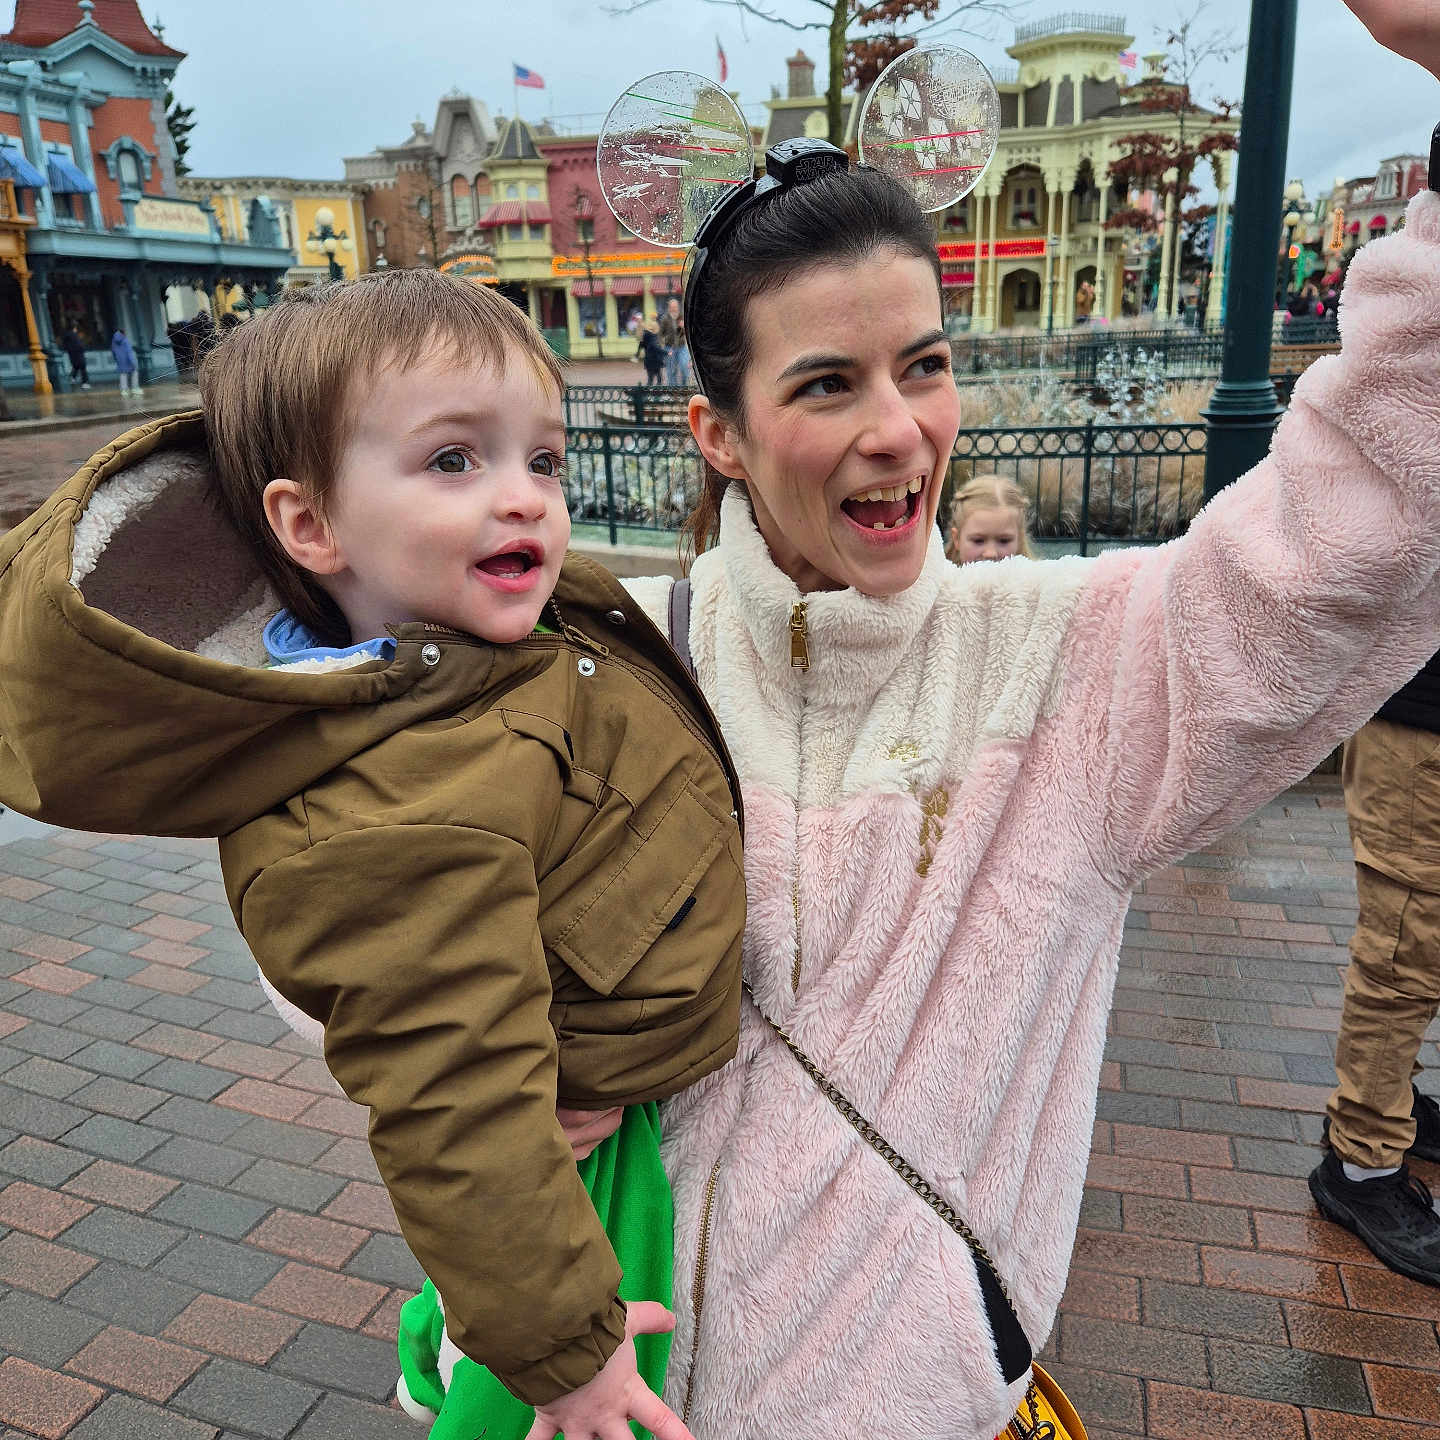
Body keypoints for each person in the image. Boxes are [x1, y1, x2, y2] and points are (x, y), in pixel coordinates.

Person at [508, 7, 1436, 1430]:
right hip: (613, 1396)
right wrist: (501, 1057)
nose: (900, 430)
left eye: (924, 366)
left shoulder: (1067, 670)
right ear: (721, 432)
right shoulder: (623, 662)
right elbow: (380, 861)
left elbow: (1358, 532)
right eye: (826, 384)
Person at [0, 268, 748, 1440]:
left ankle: (450, 1337)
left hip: (603, 1075)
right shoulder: (391, 806)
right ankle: (491, 1369)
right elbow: (457, 1108)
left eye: (541, 460)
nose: (524, 501)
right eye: (456, 461)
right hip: (582, 1164)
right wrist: (567, 1356)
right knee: (581, 1397)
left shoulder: (476, 631)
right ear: (312, 524)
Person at [1310, 647, 1440, 1284]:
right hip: (1421, 722)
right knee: (1407, 953)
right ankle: (1362, 1164)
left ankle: (1396, 1102)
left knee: (1424, 944)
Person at [945, 473, 1035, 564]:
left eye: (1004, 541)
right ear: (957, 539)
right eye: (978, 540)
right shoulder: (938, 577)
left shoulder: (1037, 577)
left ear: (1019, 539)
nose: (990, 554)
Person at [658, 296, 690, 387]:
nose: (674, 309)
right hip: (670, 348)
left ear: (678, 307)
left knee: (684, 367)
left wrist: (684, 327)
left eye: (675, 306)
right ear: (669, 308)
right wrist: (663, 346)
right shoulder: (665, 318)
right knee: (671, 371)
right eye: (672, 307)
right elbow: (660, 334)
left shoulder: (682, 317)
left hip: (681, 347)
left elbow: (688, 332)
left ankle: (683, 387)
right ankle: (673, 391)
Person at [110, 327, 140, 398]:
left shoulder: (113, 341)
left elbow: (113, 351)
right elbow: (129, 351)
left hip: (120, 360)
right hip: (128, 360)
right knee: (134, 373)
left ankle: (124, 390)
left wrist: (117, 359)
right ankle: (135, 388)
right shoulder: (125, 340)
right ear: (123, 333)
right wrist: (133, 362)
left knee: (123, 374)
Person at [636, 317, 665, 385]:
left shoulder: (649, 335)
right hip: (654, 359)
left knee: (653, 378)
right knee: (656, 378)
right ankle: (655, 391)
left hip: (652, 360)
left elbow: (641, 344)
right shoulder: (652, 336)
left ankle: (652, 391)